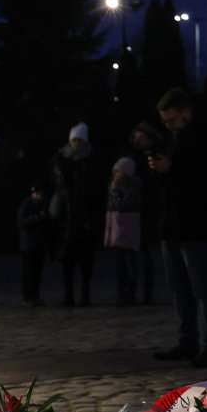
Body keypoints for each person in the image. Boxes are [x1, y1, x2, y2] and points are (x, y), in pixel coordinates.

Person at [147, 88, 207, 369]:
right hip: (173, 225)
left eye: (172, 120)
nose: (168, 125)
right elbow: (172, 183)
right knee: (180, 289)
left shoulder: (202, 139)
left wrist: (171, 169)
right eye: (165, 121)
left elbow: (204, 180)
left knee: (203, 288)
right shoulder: (174, 139)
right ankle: (187, 341)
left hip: (194, 226)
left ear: (186, 113)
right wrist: (160, 170)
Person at [49, 123, 104, 306]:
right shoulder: (61, 160)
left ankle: (85, 293)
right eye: (74, 140)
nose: (77, 144)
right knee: (68, 258)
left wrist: (94, 216)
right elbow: (55, 185)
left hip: (85, 215)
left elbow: (97, 191)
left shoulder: (91, 161)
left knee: (86, 258)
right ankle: (68, 293)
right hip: (67, 215)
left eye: (80, 140)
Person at [130, 122, 166, 304]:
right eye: (135, 138)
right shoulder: (133, 157)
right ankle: (130, 291)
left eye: (141, 138)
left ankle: (148, 291)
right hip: (134, 209)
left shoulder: (156, 156)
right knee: (133, 254)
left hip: (149, 210)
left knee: (147, 254)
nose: (137, 141)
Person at [104, 157, 142, 306]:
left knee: (131, 262)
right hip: (117, 229)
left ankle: (130, 293)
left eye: (118, 171)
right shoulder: (115, 186)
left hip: (128, 228)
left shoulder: (132, 188)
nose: (115, 175)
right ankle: (121, 292)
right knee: (119, 263)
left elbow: (121, 205)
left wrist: (115, 191)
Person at [17, 185, 50, 306]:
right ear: (33, 194)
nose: (40, 196)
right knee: (28, 272)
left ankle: (35, 296)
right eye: (38, 194)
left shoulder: (42, 206)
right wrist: (36, 218)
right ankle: (26, 297)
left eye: (42, 194)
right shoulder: (26, 205)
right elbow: (21, 223)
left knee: (37, 273)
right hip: (28, 245)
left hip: (38, 245)